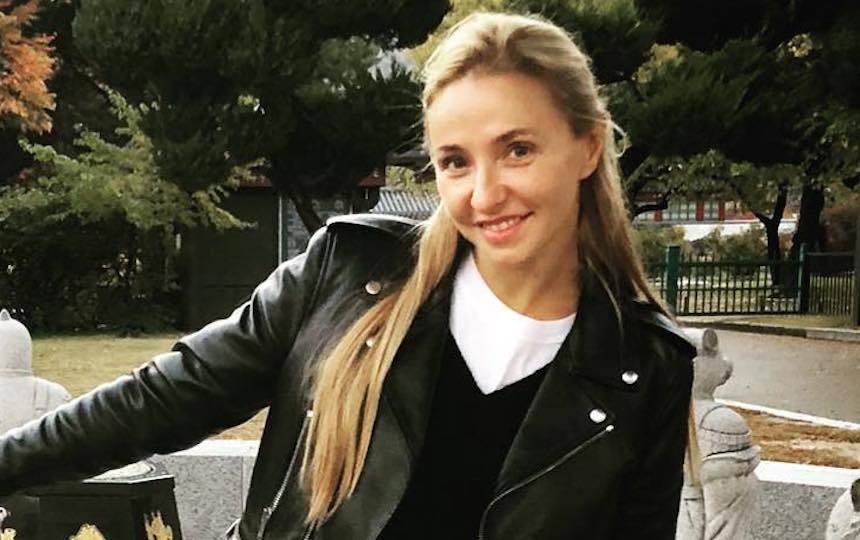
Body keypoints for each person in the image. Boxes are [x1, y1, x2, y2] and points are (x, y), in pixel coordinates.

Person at [0, 11, 697, 540]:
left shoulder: (645, 367)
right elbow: (162, 398)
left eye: (517, 150)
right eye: (455, 161)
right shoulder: (346, 271)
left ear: (587, 147)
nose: (484, 194)